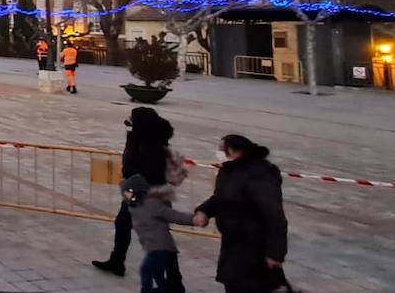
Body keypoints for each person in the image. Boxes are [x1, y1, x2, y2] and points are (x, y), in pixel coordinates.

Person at [193, 135, 290, 293]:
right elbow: (221, 198)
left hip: (254, 246)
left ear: (232, 150)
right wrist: (204, 210)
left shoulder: (259, 174)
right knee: (233, 283)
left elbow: (276, 216)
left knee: (250, 286)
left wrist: (276, 254)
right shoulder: (230, 170)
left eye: (220, 149)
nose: (218, 153)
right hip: (233, 243)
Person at [94, 107, 175, 277]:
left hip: (148, 192)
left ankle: (174, 279)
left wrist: (130, 173)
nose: (128, 120)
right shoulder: (141, 138)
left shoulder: (151, 145)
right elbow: (129, 157)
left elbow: (148, 170)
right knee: (123, 223)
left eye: (131, 118)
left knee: (156, 235)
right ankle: (117, 261)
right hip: (138, 190)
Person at [121, 174, 195, 292]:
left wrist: (193, 219)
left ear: (136, 192)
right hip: (152, 246)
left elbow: (174, 215)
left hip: (161, 246)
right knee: (158, 274)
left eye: (127, 192)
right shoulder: (133, 207)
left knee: (146, 269)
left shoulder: (151, 204)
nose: (125, 196)